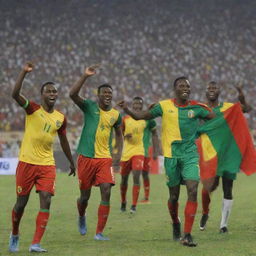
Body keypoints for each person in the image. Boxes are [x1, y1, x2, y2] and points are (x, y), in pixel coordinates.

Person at [118, 77, 214, 247]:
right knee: (174, 195)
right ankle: (176, 224)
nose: (185, 88)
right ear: (174, 89)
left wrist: (200, 130)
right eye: (181, 86)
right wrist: (126, 109)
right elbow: (140, 115)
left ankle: (187, 235)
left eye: (187, 86)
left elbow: (214, 117)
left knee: (192, 190)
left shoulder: (197, 108)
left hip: (190, 155)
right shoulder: (163, 106)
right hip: (170, 157)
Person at [9, 63, 76, 253]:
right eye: (49, 91)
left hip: (47, 165)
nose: (53, 94)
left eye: (55, 91)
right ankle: (15, 233)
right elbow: (14, 95)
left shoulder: (60, 118)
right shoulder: (33, 109)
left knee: (46, 199)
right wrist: (23, 72)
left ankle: (35, 243)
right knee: (21, 204)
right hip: (27, 163)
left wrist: (71, 161)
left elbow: (63, 141)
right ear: (42, 94)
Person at [69, 65, 123, 241]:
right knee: (85, 197)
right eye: (104, 93)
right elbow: (72, 95)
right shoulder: (89, 107)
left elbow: (119, 135)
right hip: (86, 158)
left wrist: (117, 156)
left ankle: (99, 232)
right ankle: (82, 215)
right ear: (98, 95)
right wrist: (85, 75)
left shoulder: (115, 115)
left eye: (110, 93)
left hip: (104, 159)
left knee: (106, 190)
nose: (108, 95)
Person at [199, 81, 252, 233]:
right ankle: (205, 213)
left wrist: (241, 96)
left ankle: (223, 224)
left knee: (227, 188)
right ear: (205, 91)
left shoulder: (228, 107)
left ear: (219, 91)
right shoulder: (200, 108)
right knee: (208, 187)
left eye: (214, 88)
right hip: (210, 154)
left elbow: (247, 109)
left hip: (227, 155)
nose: (211, 90)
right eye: (209, 88)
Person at [120, 97, 159, 213]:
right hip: (126, 153)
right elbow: (120, 134)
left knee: (140, 175)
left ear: (142, 106)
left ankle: (135, 205)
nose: (137, 105)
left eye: (139, 104)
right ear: (132, 105)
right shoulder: (125, 119)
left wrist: (156, 150)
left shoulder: (148, 119)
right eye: (135, 103)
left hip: (141, 151)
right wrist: (126, 137)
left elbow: (155, 135)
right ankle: (123, 202)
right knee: (124, 180)